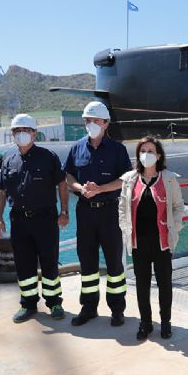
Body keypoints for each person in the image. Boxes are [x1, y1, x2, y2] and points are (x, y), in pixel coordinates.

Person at [0, 114, 69, 323]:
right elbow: (0, 190)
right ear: (13, 135)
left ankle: (54, 302)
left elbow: (62, 184)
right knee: (24, 264)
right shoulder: (9, 160)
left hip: (45, 219)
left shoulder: (48, 157)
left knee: (49, 262)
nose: (21, 135)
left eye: (26, 131)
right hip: (19, 220)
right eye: (17, 131)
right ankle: (28, 304)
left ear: (35, 133)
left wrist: (64, 211)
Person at [64, 101, 132, 327]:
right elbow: (69, 177)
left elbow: (125, 179)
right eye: (88, 120)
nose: (91, 124)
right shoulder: (76, 148)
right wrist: (80, 189)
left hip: (109, 212)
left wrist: (101, 189)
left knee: (114, 264)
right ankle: (89, 307)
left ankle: (117, 309)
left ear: (106, 123)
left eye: (95, 120)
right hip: (85, 213)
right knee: (87, 262)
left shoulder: (117, 150)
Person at [118, 136, 184, 341]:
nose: (146, 154)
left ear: (159, 155)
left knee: (165, 283)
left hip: (162, 241)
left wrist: (175, 229)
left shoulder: (169, 178)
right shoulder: (129, 179)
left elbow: (178, 207)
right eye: (143, 150)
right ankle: (145, 322)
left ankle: (166, 323)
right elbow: (122, 207)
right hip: (139, 242)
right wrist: (125, 229)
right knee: (142, 284)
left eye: (151, 151)